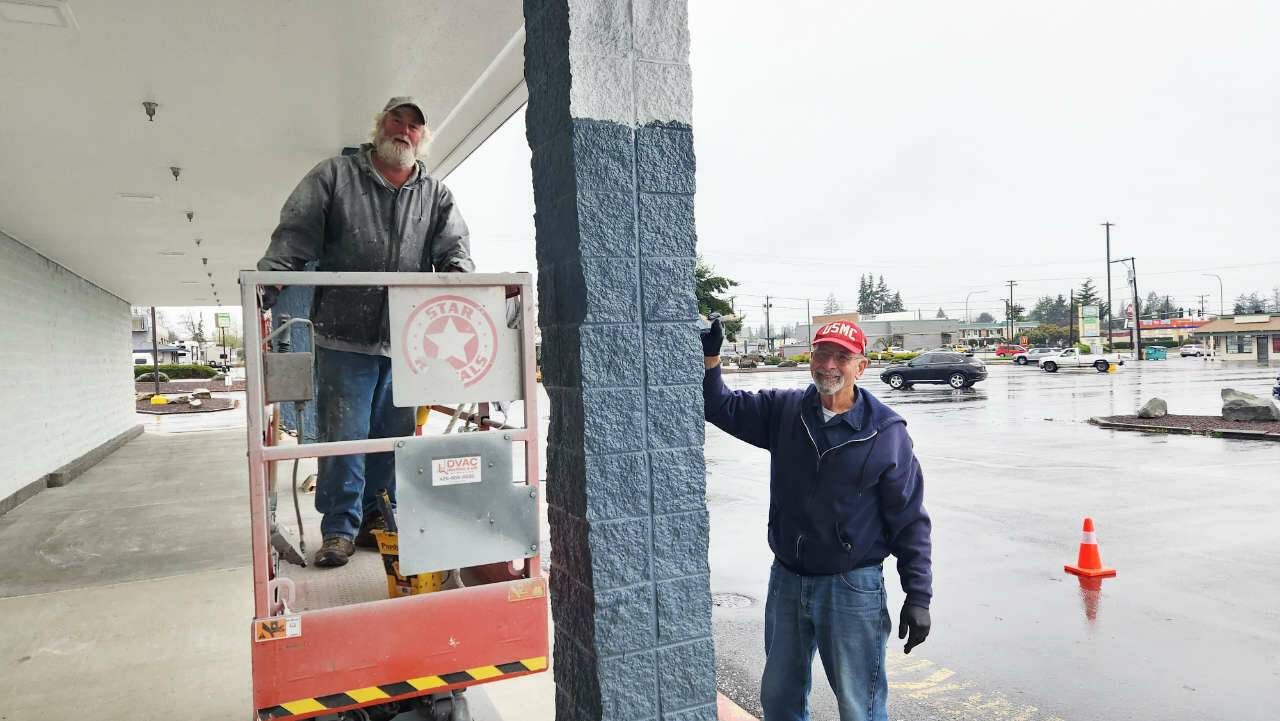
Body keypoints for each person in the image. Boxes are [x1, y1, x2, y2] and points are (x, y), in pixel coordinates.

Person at [257, 97, 473, 567]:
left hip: (410, 341)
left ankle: (379, 518)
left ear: (423, 138)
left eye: (415, 125)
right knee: (346, 435)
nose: (405, 129)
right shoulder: (335, 176)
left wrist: (463, 286)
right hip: (343, 334)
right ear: (379, 127)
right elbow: (295, 233)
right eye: (397, 120)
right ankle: (338, 528)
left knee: (395, 437)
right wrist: (271, 280)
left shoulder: (435, 194)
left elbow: (454, 252)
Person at [701, 318, 932, 721]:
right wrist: (711, 356)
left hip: (852, 586)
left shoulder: (886, 431)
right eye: (822, 353)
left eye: (842, 357)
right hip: (787, 580)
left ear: (861, 367)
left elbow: (909, 519)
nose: (829, 364)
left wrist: (918, 596)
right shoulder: (784, 410)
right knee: (779, 700)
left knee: (860, 706)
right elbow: (718, 405)